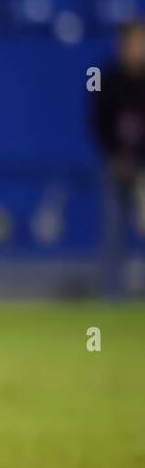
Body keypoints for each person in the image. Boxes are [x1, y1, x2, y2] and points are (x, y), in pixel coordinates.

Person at [91, 19, 145, 295]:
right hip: (115, 166)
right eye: (131, 42)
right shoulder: (106, 79)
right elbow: (97, 122)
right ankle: (112, 295)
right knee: (113, 232)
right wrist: (115, 155)